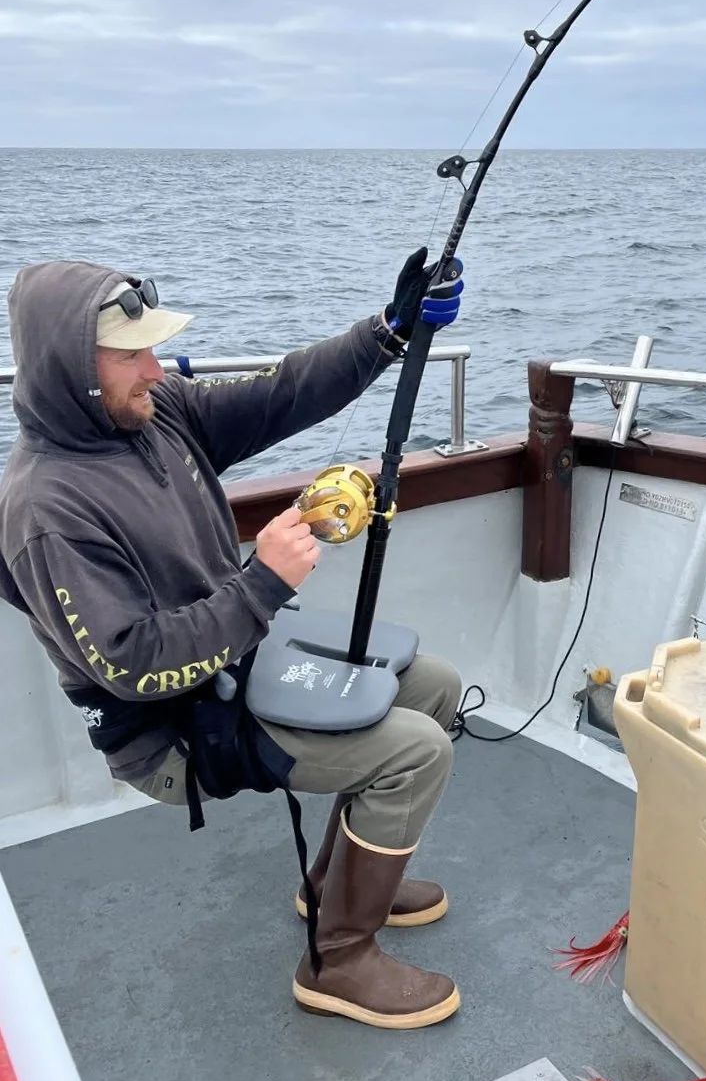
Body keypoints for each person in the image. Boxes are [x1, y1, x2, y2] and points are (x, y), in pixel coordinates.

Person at [0, 253, 467, 1031]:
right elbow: (130, 666)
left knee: (436, 685)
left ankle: (332, 886)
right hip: (172, 729)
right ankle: (339, 960)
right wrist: (264, 583)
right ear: (71, 368)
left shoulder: (152, 413)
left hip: (240, 660)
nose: (156, 368)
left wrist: (387, 332)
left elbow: (280, 393)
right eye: (131, 355)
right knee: (418, 750)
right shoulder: (46, 509)